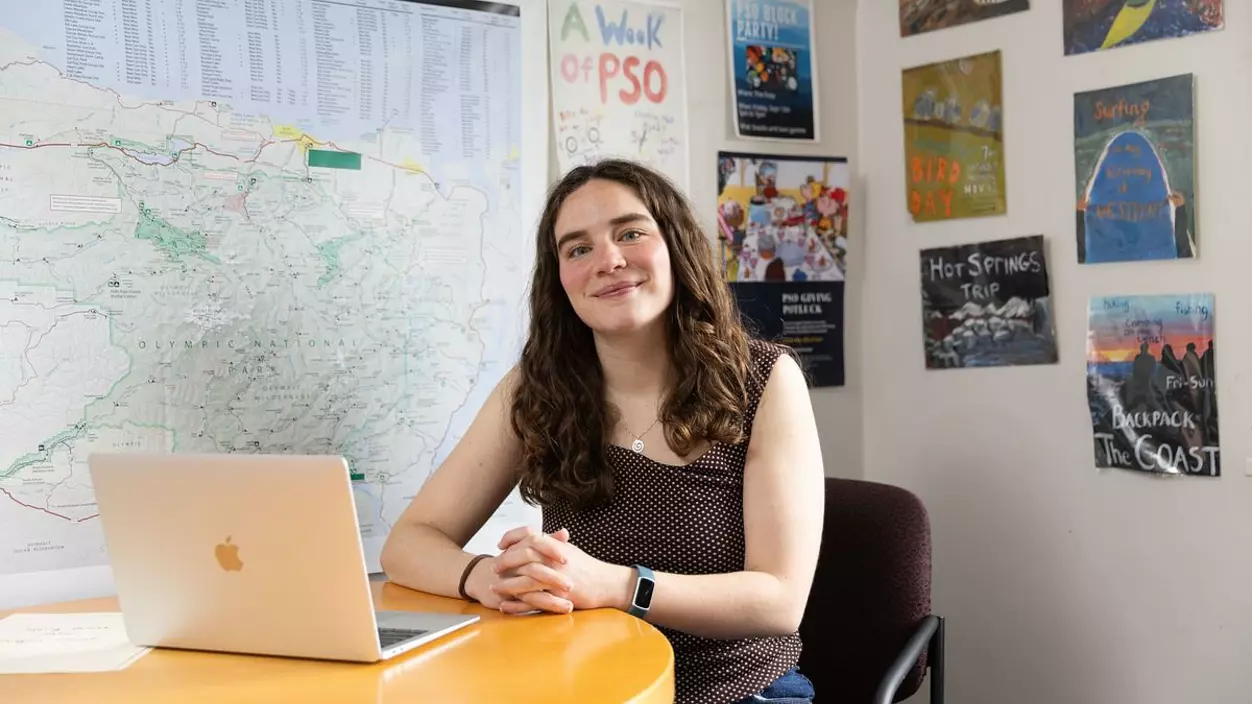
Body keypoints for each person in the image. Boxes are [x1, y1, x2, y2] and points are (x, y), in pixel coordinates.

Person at [380, 159, 825, 704]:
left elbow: (779, 602)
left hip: (737, 691)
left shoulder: (764, 379)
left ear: (676, 247)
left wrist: (617, 585)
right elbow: (408, 542)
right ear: (560, 278)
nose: (608, 261)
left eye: (630, 233)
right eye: (578, 249)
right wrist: (487, 576)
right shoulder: (537, 387)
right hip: (588, 686)